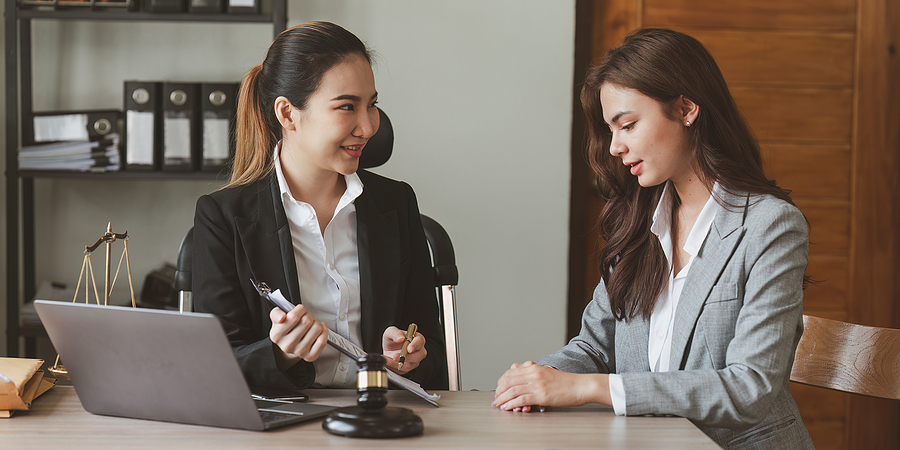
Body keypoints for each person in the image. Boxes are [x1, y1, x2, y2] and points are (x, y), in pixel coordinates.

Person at [493, 28, 814, 449]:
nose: (614, 147)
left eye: (626, 125)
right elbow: (594, 347)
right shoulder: (639, 224)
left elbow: (748, 388)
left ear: (686, 109)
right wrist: (534, 381)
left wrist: (590, 389)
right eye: (611, 130)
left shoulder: (770, 227)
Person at [192, 21, 447, 392]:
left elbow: (433, 353)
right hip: (279, 426)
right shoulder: (223, 216)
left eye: (372, 105)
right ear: (287, 114)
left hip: (377, 418)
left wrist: (408, 357)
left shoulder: (396, 203)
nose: (368, 126)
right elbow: (210, 369)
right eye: (347, 106)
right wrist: (279, 353)